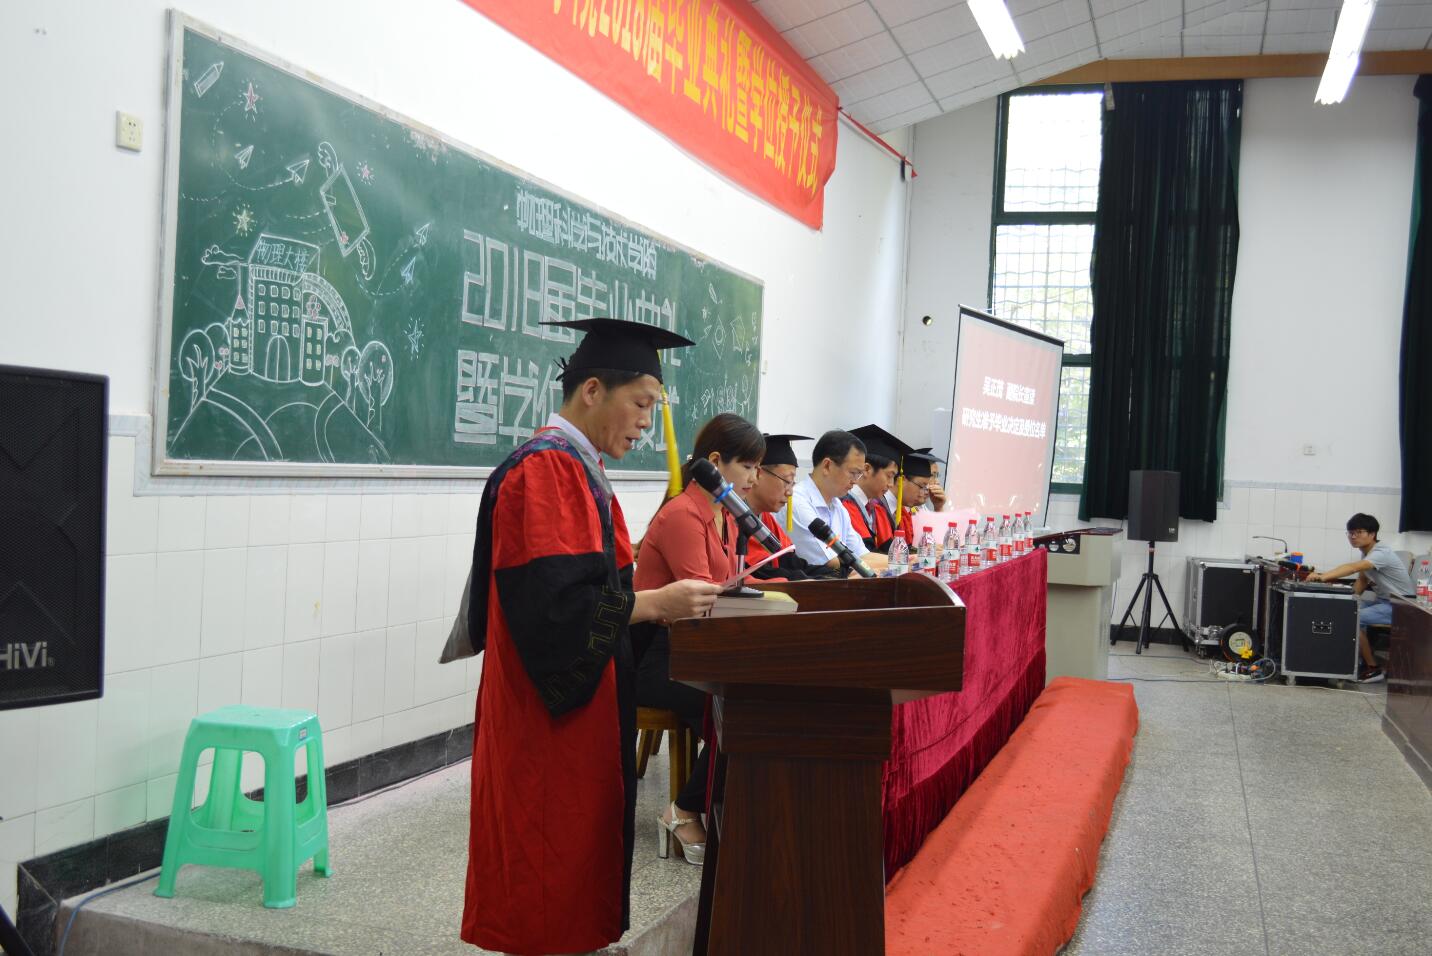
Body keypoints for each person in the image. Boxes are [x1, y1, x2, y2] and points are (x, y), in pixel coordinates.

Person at [461, 318, 723, 956]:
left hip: (583, 701)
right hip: (549, 714)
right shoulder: (546, 471)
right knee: (547, 861)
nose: (647, 423)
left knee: (571, 862)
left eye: (654, 409)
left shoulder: (577, 467)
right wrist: (655, 603)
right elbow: (556, 612)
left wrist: (654, 610)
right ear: (592, 391)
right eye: (641, 404)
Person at [633, 413, 765, 865]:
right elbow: (700, 600)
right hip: (658, 655)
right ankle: (685, 809)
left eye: (757, 467)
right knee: (740, 704)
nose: (754, 478)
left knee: (762, 691)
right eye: (747, 466)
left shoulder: (725, 515)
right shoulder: (683, 515)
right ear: (715, 461)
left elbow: (732, 585)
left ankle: (730, 806)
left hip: (699, 648)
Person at [1305, 513, 1415, 683]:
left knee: (1353, 618)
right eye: (1350, 533)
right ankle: (1356, 662)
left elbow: (1353, 568)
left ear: (1372, 534)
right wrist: (1349, 601)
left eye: (1359, 532)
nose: (1353, 536)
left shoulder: (1381, 553)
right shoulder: (1367, 553)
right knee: (1345, 610)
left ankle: (1373, 668)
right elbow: (1363, 579)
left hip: (1401, 606)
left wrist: (1322, 577)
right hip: (1384, 602)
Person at [788, 430, 889, 574]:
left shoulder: (837, 506)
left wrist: (906, 561)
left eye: (859, 474)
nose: (855, 481)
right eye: (853, 473)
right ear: (827, 466)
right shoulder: (797, 502)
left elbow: (862, 554)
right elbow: (830, 562)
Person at [743, 433, 837, 581]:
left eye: (793, 483)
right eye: (787, 481)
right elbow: (759, 571)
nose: (790, 492)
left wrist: (840, 576)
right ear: (758, 473)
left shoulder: (766, 519)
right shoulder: (734, 517)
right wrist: (814, 582)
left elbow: (792, 563)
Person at [842, 424, 911, 553]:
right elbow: (866, 553)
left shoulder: (876, 509)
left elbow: (888, 548)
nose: (891, 484)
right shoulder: (846, 505)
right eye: (889, 476)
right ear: (866, 469)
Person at [890, 450, 938, 544]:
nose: (922, 493)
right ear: (902, 480)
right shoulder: (879, 508)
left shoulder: (904, 511)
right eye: (921, 486)